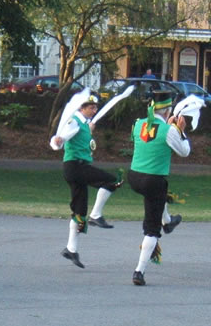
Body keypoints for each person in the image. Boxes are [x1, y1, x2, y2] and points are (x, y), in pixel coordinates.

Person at [127, 90, 195, 286]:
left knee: (159, 194)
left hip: (134, 176)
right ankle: (139, 271)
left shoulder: (138, 124)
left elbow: (145, 136)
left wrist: (169, 126)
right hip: (153, 180)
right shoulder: (169, 130)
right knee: (151, 229)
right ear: (167, 111)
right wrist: (180, 130)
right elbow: (184, 152)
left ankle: (168, 221)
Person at [49, 92, 124, 269]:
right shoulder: (74, 121)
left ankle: (71, 249)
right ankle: (96, 215)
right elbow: (61, 138)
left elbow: (82, 140)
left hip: (76, 167)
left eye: (96, 107)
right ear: (82, 108)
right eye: (91, 107)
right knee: (113, 181)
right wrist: (57, 141)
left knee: (79, 211)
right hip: (76, 167)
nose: (94, 110)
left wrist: (89, 131)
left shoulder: (84, 124)